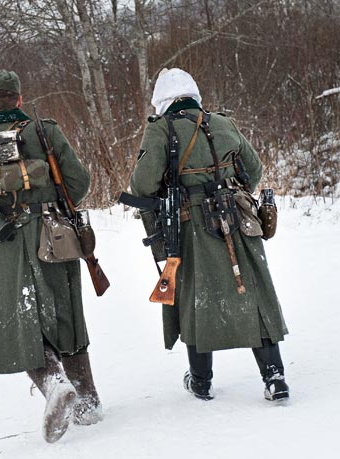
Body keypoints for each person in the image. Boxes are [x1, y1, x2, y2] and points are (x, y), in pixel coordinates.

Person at [0, 70, 102, 442]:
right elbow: (79, 182)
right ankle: (87, 403)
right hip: (52, 234)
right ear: (18, 100)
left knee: (18, 324)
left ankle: (52, 384)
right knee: (66, 316)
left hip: (1, 244)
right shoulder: (44, 132)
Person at [129, 68, 290, 402]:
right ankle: (275, 378)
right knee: (253, 294)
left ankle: (201, 381)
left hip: (191, 226)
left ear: (162, 101)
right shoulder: (221, 122)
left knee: (193, 297)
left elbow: (142, 185)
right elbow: (254, 169)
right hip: (238, 222)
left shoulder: (160, 130)